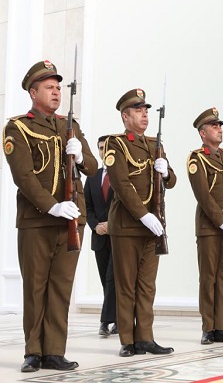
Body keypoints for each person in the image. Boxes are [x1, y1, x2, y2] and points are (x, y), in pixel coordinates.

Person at [3, 60, 98, 372]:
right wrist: (52, 205)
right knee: (35, 287)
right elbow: (23, 176)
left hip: (72, 220)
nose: (56, 92)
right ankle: (33, 351)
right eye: (49, 87)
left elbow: (92, 167)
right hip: (37, 220)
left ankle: (54, 351)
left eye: (58, 87)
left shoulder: (70, 125)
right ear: (33, 92)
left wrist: (81, 154)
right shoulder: (18, 127)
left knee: (61, 287)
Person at [104, 88, 177, 356]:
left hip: (153, 227)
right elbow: (121, 184)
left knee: (147, 286)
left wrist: (165, 172)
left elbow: (172, 181)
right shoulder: (116, 144)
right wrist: (144, 215)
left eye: (146, 110)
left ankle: (145, 337)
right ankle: (127, 340)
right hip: (127, 226)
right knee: (126, 285)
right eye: (138, 110)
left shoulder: (155, 144)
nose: (145, 114)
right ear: (125, 116)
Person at [187, 107, 223, 345]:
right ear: (203, 133)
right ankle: (208, 328)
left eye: (220, 126)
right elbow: (203, 195)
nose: (219, 129)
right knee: (208, 278)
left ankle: (222, 326)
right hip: (210, 228)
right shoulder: (196, 158)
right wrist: (221, 222)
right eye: (214, 126)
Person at [84, 135, 117, 337]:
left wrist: (111, 224)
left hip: (119, 236)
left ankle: (106, 322)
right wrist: (95, 225)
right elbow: (86, 206)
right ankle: (119, 319)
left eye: (106, 147)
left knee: (113, 279)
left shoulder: (121, 174)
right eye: (100, 148)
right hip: (99, 237)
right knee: (106, 280)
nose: (103, 151)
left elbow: (126, 204)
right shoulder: (93, 176)